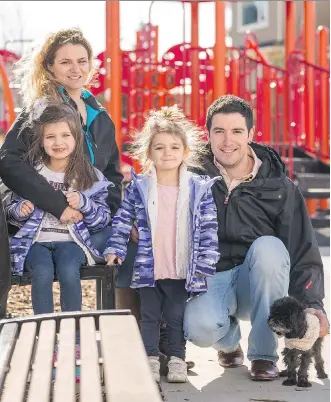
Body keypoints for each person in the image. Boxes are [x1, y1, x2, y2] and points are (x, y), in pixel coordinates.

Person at [183, 95, 328, 381]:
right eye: (219, 131)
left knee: (270, 248)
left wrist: (313, 303)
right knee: (198, 328)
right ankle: (228, 343)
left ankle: (263, 356)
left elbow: (302, 247)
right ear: (208, 133)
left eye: (237, 131)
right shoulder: (191, 178)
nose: (227, 141)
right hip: (214, 277)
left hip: (259, 282)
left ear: (250, 134)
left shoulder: (278, 185)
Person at [103, 106, 220, 383]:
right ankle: (151, 358)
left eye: (174, 147)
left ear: (185, 152)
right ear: (148, 153)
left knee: (176, 316)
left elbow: (208, 228)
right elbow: (122, 220)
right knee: (149, 315)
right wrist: (115, 249)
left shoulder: (197, 188)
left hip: (179, 266)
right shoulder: (139, 187)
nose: (167, 153)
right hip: (148, 266)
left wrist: (205, 262)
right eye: (159, 147)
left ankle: (178, 359)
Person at [0, 27, 122, 236]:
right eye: (65, 62)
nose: (76, 69)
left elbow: (113, 176)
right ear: (50, 67)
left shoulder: (100, 116)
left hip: (91, 222)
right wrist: (57, 205)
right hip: (50, 224)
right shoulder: (41, 111)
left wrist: (107, 219)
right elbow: (9, 161)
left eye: (82, 61)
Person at [6, 103, 111, 314]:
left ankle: (72, 327)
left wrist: (85, 204)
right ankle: (43, 326)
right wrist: (20, 210)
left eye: (65, 135)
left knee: (68, 270)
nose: (58, 142)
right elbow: (11, 214)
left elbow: (103, 219)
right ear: (41, 141)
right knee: (42, 272)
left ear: (76, 138)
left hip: (71, 242)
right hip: (37, 242)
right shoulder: (32, 174)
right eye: (50, 137)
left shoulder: (89, 177)